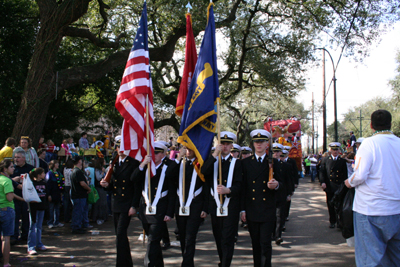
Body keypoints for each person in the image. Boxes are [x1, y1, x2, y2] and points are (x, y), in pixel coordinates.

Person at [345, 109, 400, 266]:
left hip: (371, 210)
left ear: (371, 125)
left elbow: (360, 174)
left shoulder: (369, 143)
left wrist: (349, 182)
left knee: (371, 259)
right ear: (390, 124)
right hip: (396, 209)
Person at [201, 131, 242, 267]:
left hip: (231, 206)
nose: (225, 147)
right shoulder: (213, 161)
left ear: (232, 146)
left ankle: (225, 264)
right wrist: (213, 155)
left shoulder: (237, 163)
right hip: (215, 206)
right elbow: (204, 171)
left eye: (227, 144)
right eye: (222, 144)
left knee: (227, 239)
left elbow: (240, 185)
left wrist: (228, 190)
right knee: (218, 238)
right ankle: (222, 260)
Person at [240, 129, 281, 267]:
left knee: (265, 243)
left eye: (262, 142)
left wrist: (276, 185)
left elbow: (284, 185)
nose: (259, 144)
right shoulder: (245, 163)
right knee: (255, 243)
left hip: (267, 209)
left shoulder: (274, 163)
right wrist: (242, 210)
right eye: (256, 142)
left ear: (266, 144)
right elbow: (244, 189)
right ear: (253, 144)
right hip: (251, 209)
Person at [133, 141, 175, 267]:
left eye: (156, 153)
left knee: (153, 239)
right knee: (154, 242)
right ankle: (159, 264)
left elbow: (172, 192)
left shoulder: (169, 167)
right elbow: (133, 179)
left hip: (160, 208)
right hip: (146, 208)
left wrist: (169, 213)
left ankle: (149, 264)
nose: (153, 155)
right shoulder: (146, 166)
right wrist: (142, 164)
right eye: (152, 152)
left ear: (163, 154)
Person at [100, 136, 140, 267]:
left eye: (123, 148)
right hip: (116, 202)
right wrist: (106, 184)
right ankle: (127, 262)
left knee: (121, 234)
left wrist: (134, 205)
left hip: (127, 203)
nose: (121, 150)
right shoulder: (115, 163)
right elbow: (113, 185)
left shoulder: (133, 163)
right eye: (118, 147)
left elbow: (136, 187)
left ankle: (121, 263)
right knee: (119, 235)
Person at [166, 146, 208, 267]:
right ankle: (187, 261)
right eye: (185, 148)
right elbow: (169, 174)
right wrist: (178, 158)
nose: (188, 151)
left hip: (195, 205)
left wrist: (205, 208)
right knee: (183, 237)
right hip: (181, 205)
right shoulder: (179, 163)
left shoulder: (200, 164)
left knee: (190, 237)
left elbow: (206, 186)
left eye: (190, 149)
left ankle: (187, 264)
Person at [319, 142, 348, 228]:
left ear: (339, 150)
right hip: (329, 185)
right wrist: (323, 182)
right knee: (330, 203)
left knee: (339, 204)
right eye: (333, 150)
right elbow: (322, 172)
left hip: (339, 185)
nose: (335, 151)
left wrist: (344, 185)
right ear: (330, 150)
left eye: (337, 149)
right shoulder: (325, 160)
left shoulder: (342, 161)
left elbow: (344, 174)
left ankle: (339, 221)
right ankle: (332, 220)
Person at [10, 152, 34, 244]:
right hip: (14, 196)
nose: (16, 159)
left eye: (18, 157)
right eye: (15, 157)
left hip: (26, 196)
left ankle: (25, 235)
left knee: (26, 217)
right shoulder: (12, 169)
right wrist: (14, 180)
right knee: (15, 218)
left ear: (24, 158)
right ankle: (14, 236)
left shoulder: (30, 168)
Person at [272, 144, 292, 245]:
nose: (276, 153)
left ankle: (278, 235)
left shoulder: (285, 165)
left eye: (277, 151)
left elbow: (288, 181)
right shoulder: (268, 164)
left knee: (279, 216)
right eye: (274, 151)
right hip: (270, 195)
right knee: (272, 216)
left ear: (281, 153)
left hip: (281, 194)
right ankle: (272, 233)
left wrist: (289, 194)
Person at [0, 160, 18, 267]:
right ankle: (6, 262)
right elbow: (10, 197)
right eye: (11, 167)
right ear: (5, 169)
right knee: (6, 238)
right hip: (6, 210)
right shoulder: (7, 181)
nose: (13, 168)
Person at [27, 167, 48, 255]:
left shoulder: (44, 183)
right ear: (39, 175)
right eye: (43, 173)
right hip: (34, 208)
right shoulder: (32, 184)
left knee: (39, 227)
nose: (44, 175)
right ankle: (31, 246)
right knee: (32, 227)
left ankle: (39, 244)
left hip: (41, 207)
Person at [70, 156, 92, 234]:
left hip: (77, 195)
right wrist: (89, 189)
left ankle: (78, 226)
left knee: (79, 211)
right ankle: (76, 227)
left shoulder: (74, 171)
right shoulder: (78, 172)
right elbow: (82, 183)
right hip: (79, 195)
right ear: (79, 161)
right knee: (78, 212)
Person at [46, 160, 64, 228]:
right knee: (51, 208)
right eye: (56, 163)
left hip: (58, 193)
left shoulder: (59, 173)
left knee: (57, 208)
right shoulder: (49, 174)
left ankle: (57, 221)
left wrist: (61, 192)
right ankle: (50, 222)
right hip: (52, 193)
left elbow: (61, 182)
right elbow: (48, 184)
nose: (58, 165)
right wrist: (48, 194)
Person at [92, 158, 107, 225]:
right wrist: (103, 172)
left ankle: (103, 216)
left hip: (103, 188)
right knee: (99, 203)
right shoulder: (97, 170)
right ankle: (98, 217)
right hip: (99, 188)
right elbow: (98, 178)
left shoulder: (102, 169)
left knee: (103, 203)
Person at [63, 159, 74, 223]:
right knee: (70, 203)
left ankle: (66, 217)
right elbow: (71, 179)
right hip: (70, 186)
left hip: (66, 185)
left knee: (66, 203)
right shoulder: (70, 171)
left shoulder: (65, 169)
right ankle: (69, 217)